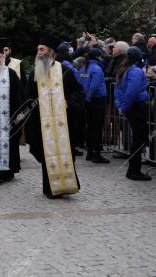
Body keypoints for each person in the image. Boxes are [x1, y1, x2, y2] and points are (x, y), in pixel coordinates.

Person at [24, 35, 83, 199]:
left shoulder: (65, 71)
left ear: (51, 53)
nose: (39, 53)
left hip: (64, 123)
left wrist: (69, 102)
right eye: (38, 50)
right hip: (42, 124)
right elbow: (29, 99)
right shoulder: (35, 73)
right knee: (46, 155)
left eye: (42, 50)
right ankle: (51, 189)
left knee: (66, 153)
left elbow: (78, 92)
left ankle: (68, 186)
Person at [0, 41, 26, 184]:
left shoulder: (11, 74)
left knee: (9, 143)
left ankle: (7, 172)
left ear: (4, 58)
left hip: (7, 119)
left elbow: (20, 95)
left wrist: (21, 111)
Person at [115, 47, 152, 181]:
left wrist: (121, 106)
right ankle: (134, 170)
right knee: (138, 139)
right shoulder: (135, 71)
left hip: (130, 106)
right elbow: (132, 91)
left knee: (137, 138)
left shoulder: (123, 69)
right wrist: (124, 107)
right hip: (136, 106)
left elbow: (118, 91)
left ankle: (133, 170)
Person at [81, 47, 109, 164]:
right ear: (98, 57)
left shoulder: (84, 68)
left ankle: (90, 152)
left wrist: (85, 99)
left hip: (88, 100)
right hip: (97, 100)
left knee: (90, 126)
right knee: (97, 127)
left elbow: (82, 83)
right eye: (101, 56)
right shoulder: (96, 68)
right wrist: (88, 98)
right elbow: (94, 86)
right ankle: (96, 154)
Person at [57, 42, 85, 156]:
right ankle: (72, 148)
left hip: (60, 100)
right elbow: (78, 83)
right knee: (72, 126)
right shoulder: (69, 67)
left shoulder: (56, 65)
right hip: (70, 101)